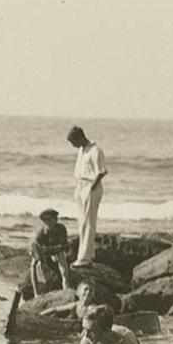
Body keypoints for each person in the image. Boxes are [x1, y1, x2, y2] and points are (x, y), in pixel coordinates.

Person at [67, 126, 107, 266]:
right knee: (81, 222)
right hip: (81, 185)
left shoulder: (95, 150)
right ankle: (87, 254)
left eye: (74, 142)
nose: (73, 146)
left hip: (91, 186)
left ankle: (84, 258)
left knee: (88, 223)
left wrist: (91, 188)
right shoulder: (81, 150)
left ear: (80, 137)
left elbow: (101, 172)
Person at [29, 208, 70, 296]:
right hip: (44, 252)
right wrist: (41, 257)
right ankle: (36, 292)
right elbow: (37, 247)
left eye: (49, 220)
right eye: (45, 221)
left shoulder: (61, 229)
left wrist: (54, 251)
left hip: (56, 251)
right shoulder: (41, 233)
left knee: (61, 257)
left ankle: (65, 284)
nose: (47, 223)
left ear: (55, 220)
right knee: (34, 265)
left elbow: (64, 245)